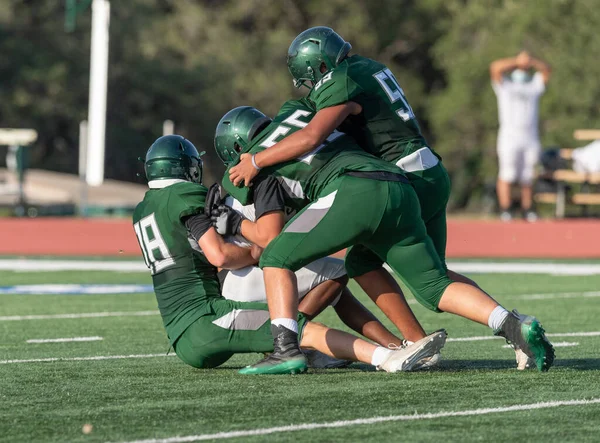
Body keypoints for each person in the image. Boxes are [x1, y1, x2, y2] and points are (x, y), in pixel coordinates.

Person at [227, 27, 554, 372]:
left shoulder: (342, 79)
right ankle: (503, 329)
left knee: (430, 284)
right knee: (386, 267)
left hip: (403, 177)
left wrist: (258, 160)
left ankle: (462, 334)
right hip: (428, 169)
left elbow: (311, 136)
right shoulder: (368, 67)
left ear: (318, 68)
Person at [132, 134, 446, 374]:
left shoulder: (144, 207)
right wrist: (256, 252)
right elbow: (221, 256)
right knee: (295, 327)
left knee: (300, 319)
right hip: (207, 319)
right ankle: (390, 357)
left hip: (185, 333)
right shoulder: (187, 194)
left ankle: (390, 348)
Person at [490, 50, 551, 222]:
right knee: (506, 174)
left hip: (530, 137)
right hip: (509, 137)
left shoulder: (533, 87)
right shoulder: (505, 86)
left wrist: (531, 61)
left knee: (528, 175)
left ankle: (527, 209)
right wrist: (517, 61)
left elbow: (547, 70)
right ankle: (506, 209)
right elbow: (495, 67)